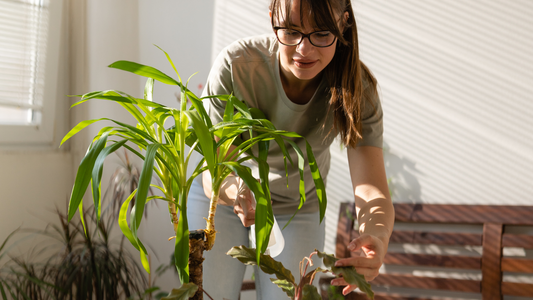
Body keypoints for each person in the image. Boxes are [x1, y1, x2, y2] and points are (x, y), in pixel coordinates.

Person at [186, 0, 395, 298]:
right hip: (222, 201)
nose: (303, 50)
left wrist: (376, 235)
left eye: (322, 34)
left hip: (299, 207)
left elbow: (371, 189)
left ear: (343, 23)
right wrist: (236, 190)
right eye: (291, 31)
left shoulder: (357, 88)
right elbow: (212, 173)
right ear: (272, 19)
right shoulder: (236, 66)